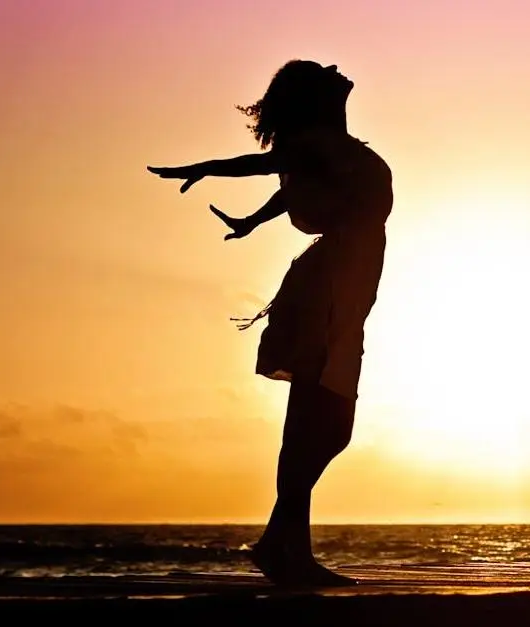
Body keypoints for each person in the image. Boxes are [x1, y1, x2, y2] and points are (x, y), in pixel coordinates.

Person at [148, 60, 392, 586]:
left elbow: (289, 189)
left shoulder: (334, 151)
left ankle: (280, 545)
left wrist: (251, 221)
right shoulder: (318, 143)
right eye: (321, 70)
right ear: (315, 95)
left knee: (325, 426)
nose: (334, 67)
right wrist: (206, 168)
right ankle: (285, 550)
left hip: (343, 289)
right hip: (326, 291)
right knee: (318, 421)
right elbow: (261, 166)